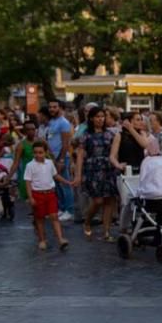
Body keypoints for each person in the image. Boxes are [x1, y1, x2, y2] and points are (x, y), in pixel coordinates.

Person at [73, 107, 119, 242]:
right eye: (97, 117)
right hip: (92, 169)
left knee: (109, 200)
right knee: (98, 200)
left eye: (102, 116)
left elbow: (114, 152)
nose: (100, 119)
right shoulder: (86, 135)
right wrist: (78, 174)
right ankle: (87, 221)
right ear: (92, 118)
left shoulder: (110, 134)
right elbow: (80, 155)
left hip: (108, 168)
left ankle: (106, 231)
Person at [24, 140, 71, 251]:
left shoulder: (49, 163)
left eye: (40, 152)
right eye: (35, 152)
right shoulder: (30, 165)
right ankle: (42, 240)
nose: (38, 155)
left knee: (54, 216)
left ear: (45, 152)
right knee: (40, 218)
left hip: (50, 193)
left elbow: (55, 175)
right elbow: (28, 182)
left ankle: (60, 239)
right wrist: (30, 197)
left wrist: (67, 182)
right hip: (37, 194)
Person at [45, 99, 74, 221]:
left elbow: (66, 143)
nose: (52, 109)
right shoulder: (51, 121)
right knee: (57, 185)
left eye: (54, 107)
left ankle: (69, 210)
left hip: (61, 158)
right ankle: (61, 208)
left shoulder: (64, 123)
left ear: (60, 108)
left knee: (65, 183)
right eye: (50, 107)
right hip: (52, 158)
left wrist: (61, 160)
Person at [6, 120, 37, 205]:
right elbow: (16, 163)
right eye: (29, 129)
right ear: (25, 131)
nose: (31, 131)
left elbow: (49, 157)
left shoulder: (40, 142)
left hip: (41, 174)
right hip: (28, 176)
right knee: (32, 202)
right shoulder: (21, 145)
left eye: (33, 129)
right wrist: (8, 178)